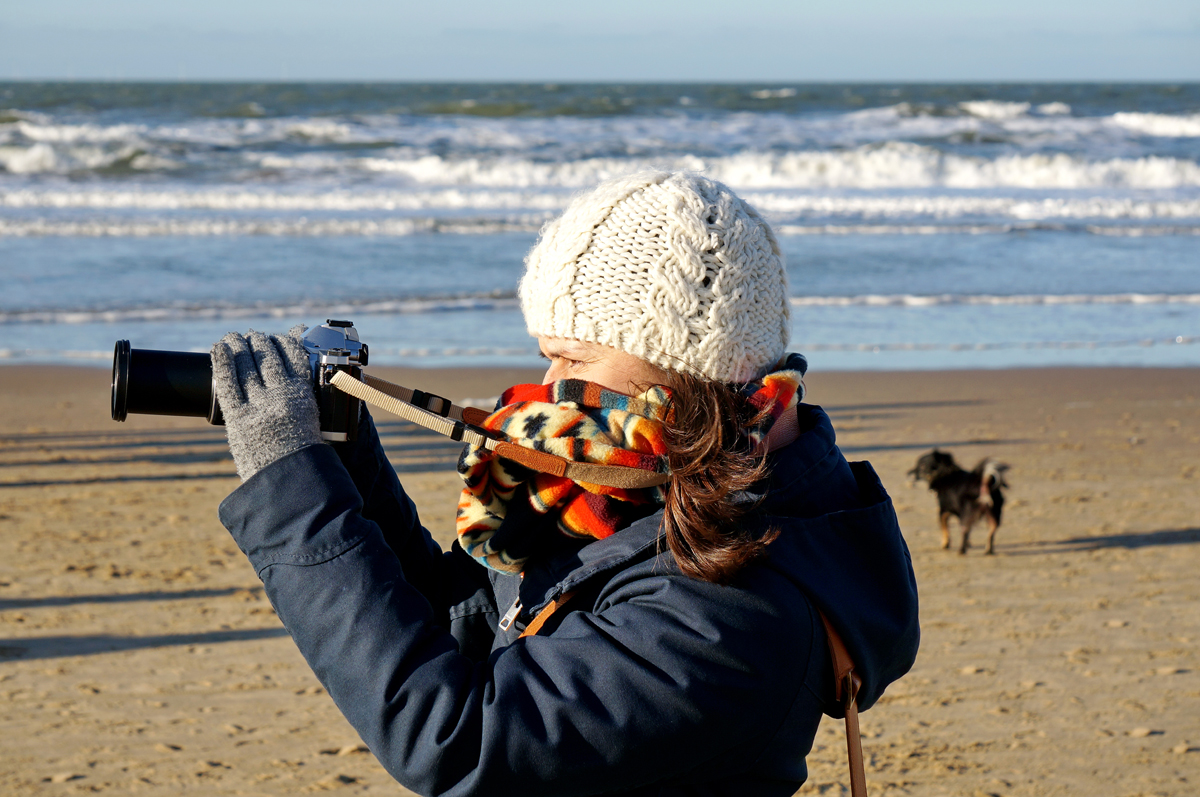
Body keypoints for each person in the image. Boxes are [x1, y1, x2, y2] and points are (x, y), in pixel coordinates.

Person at [211, 171, 919, 797]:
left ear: (676, 366)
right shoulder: (661, 497)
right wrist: (342, 449)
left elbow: (457, 739)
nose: (549, 388)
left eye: (572, 357)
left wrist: (288, 480)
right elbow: (462, 621)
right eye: (545, 356)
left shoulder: (741, 614)